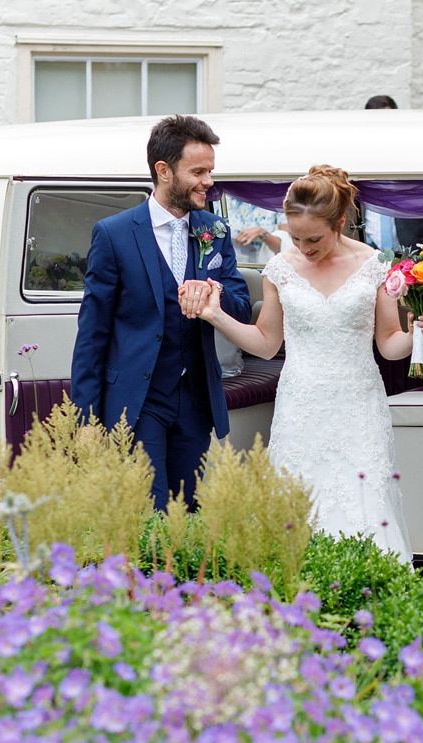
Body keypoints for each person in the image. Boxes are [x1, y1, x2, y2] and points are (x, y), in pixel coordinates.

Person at [186, 165, 423, 561]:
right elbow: (267, 344)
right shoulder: (279, 270)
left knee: (365, 501)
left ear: (340, 222)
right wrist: (217, 316)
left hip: (358, 405)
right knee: (297, 502)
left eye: (314, 239)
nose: (303, 247)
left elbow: (389, 344)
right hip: (300, 404)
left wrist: (418, 334)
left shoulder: (375, 266)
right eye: (295, 237)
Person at [70, 114, 252, 512]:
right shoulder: (113, 234)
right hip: (138, 399)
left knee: (186, 508)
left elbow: (240, 307)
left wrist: (212, 292)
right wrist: (85, 419)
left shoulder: (215, 230)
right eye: (198, 171)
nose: (209, 181)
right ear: (164, 170)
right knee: (147, 509)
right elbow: (92, 334)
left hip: (195, 398)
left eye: (211, 171)